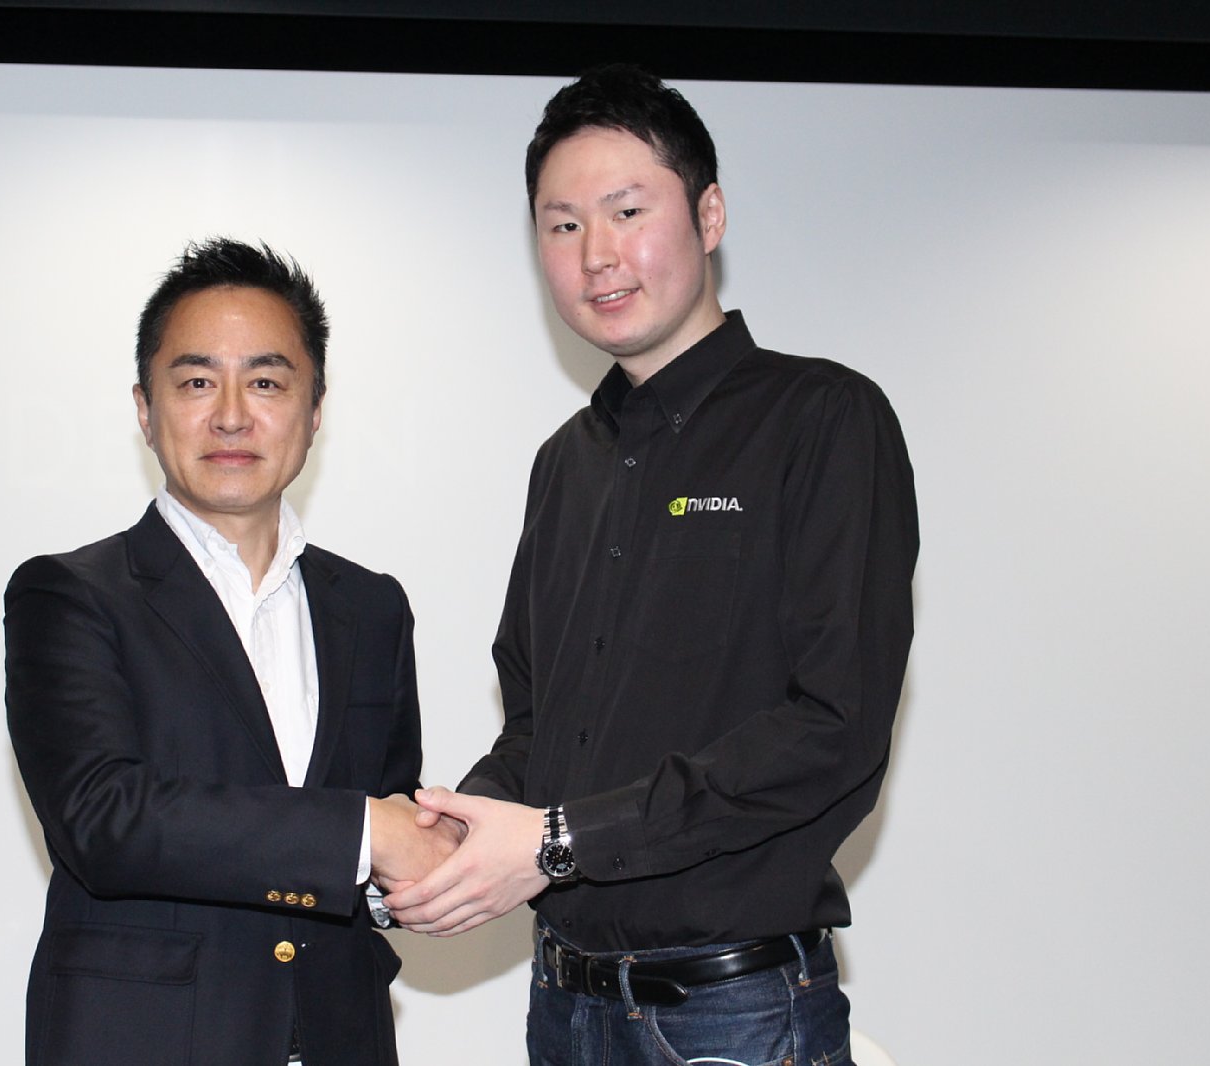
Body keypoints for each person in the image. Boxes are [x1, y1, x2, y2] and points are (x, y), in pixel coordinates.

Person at [384, 66, 919, 1065]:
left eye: (627, 211)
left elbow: (832, 728)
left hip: (732, 1012)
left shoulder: (822, 419)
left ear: (709, 215)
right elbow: (543, 728)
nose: (597, 254)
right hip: (564, 1007)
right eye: (562, 225)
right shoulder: (565, 464)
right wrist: (449, 831)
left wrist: (559, 842)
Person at [5, 238, 455, 1066]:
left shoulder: (372, 608)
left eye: (268, 382)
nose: (233, 415)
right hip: (145, 1044)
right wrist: (366, 833)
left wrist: (425, 871)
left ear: (315, 412)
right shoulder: (69, 595)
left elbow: (386, 823)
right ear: (145, 410)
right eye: (197, 382)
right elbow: (105, 819)